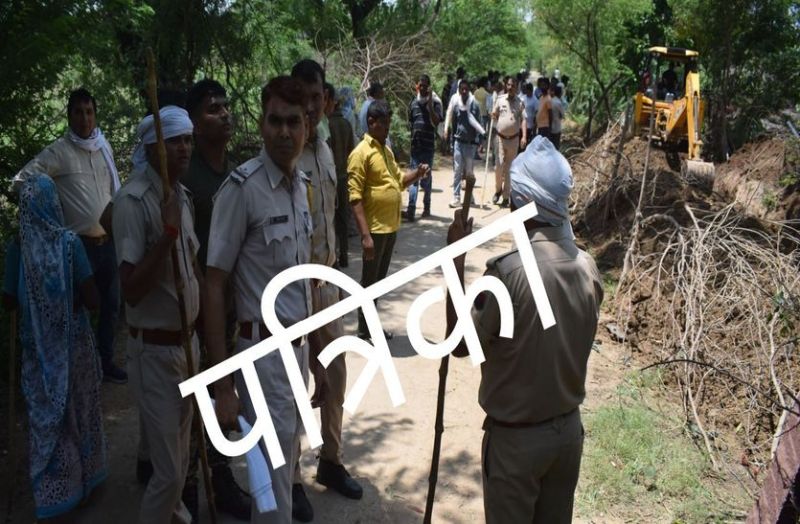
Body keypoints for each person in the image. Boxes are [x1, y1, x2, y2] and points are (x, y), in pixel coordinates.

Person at [446, 135, 603, 523]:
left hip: (516, 444)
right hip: (567, 435)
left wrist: (453, 264)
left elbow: (460, 344)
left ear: (520, 203)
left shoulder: (508, 274)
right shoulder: (587, 268)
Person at [206, 76, 326, 524]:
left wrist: (316, 357)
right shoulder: (243, 189)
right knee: (273, 489)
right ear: (261, 124)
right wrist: (223, 385)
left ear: (307, 127)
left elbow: (302, 284)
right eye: (274, 121)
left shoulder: (301, 187)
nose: (283, 132)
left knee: (284, 473)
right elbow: (214, 284)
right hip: (260, 355)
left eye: (293, 122)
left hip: (294, 354)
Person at [112, 106, 201, 524]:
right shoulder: (133, 201)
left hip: (187, 345)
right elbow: (130, 291)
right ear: (152, 148)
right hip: (155, 353)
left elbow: (193, 269)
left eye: (187, 140)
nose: (183, 148)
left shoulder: (181, 198)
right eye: (174, 141)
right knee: (167, 473)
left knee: (181, 463)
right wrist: (166, 235)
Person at [3, 174, 108, 522]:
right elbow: (93, 300)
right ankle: (86, 481)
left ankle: (53, 493)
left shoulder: (18, 247)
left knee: (46, 420)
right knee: (79, 411)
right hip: (72, 347)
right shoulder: (69, 245)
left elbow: (7, 301)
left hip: (37, 354)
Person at [291, 59, 364, 523]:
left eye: (315, 98)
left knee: (335, 375)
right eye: (301, 99)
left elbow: (333, 216)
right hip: (291, 291)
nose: (310, 107)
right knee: (296, 383)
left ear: (326, 100)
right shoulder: (286, 152)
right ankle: (291, 480)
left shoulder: (325, 150)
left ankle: (331, 461)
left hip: (328, 282)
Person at [15, 88, 126, 384]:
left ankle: (105, 362)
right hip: (79, 246)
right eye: (78, 112)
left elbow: (114, 192)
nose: (85, 118)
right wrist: (46, 221)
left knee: (111, 306)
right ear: (69, 115)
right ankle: (80, 367)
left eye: (89, 111)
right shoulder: (59, 152)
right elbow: (21, 181)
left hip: (109, 240)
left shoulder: (103, 147)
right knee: (79, 308)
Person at [181, 78, 251, 522]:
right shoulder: (185, 177)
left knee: (225, 395)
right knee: (193, 400)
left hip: (231, 305)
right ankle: (186, 489)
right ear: (193, 121)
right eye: (212, 108)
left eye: (226, 106)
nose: (224, 113)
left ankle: (221, 479)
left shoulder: (237, 174)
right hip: (193, 306)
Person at [348, 99, 430, 340]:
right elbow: (354, 197)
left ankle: (370, 326)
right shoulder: (360, 154)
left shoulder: (386, 150)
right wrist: (365, 236)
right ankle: (364, 330)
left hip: (390, 227)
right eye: (383, 125)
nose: (387, 129)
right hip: (374, 229)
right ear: (371, 123)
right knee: (369, 283)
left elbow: (399, 181)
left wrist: (417, 173)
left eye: (388, 125)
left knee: (378, 283)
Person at [405, 73, 443, 222]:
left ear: (429, 87)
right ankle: (411, 209)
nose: (422, 88)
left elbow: (436, 121)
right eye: (420, 85)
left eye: (425, 86)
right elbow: (411, 123)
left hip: (428, 148)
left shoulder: (435, 103)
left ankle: (426, 207)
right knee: (414, 178)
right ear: (417, 86)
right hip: (415, 147)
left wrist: (429, 108)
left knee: (426, 178)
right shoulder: (413, 103)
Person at [444, 79, 484, 208]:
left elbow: (479, 123)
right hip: (458, 143)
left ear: (469, 90)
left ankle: (469, 195)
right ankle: (456, 197)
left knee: (469, 172)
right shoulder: (456, 105)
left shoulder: (475, 105)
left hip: (470, 144)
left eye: (466, 89)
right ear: (459, 90)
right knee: (457, 171)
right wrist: (452, 141)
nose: (464, 91)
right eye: (462, 89)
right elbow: (454, 124)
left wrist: (480, 141)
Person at [328, 88, 357, 268]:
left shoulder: (327, 126)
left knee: (331, 218)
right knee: (343, 219)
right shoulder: (346, 124)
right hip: (344, 176)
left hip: (331, 177)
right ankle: (344, 254)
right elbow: (351, 152)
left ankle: (333, 256)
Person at [491, 77, 527, 207]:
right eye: (508, 85)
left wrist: (524, 137)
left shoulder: (520, 102)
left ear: (516, 87)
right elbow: (494, 114)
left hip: (514, 140)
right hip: (500, 138)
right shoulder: (500, 100)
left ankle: (506, 196)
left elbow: (523, 119)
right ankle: (498, 190)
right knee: (499, 166)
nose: (510, 87)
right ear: (506, 86)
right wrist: (493, 115)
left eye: (513, 85)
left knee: (509, 169)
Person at [550, 85, 566, 151]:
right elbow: (563, 115)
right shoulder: (559, 103)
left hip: (550, 126)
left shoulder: (550, 101)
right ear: (560, 93)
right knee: (556, 146)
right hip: (557, 127)